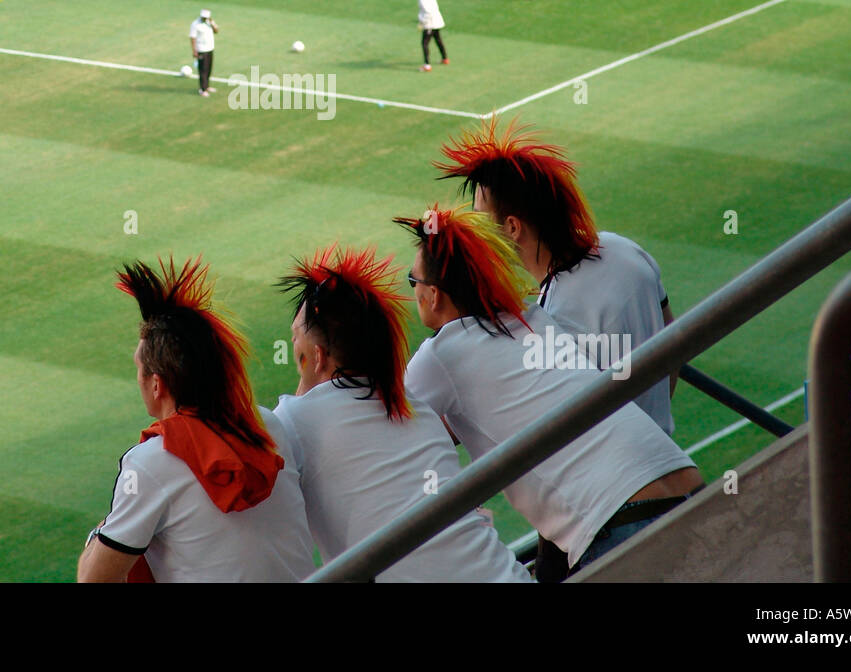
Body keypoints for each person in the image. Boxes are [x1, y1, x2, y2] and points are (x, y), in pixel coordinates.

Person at [398, 205, 702, 582]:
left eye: (413, 281)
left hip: (619, 520)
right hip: (687, 483)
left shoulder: (439, 356)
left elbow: (391, 443)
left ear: (434, 295)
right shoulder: (533, 317)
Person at [273, 244, 531, 583]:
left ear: (318, 357)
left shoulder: (292, 422)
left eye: (296, 342)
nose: (293, 351)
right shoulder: (418, 410)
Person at [435, 117, 677, 434]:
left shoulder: (554, 316)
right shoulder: (625, 249)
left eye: (480, 216)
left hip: (610, 479)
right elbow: (674, 345)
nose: (475, 230)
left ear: (512, 227)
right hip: (665, 455)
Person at [76, 258, 313, 583]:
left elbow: (94, 579)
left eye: (138, 367)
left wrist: (100, 533)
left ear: (157, 384)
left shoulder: (150, 463)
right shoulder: (268, 426)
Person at [413, 0, 448, 72]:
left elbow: (428, 12)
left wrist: (422, 22)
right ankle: (445, 58)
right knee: (438, 40)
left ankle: (427, 65)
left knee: (424, 43)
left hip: (430, 24)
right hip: (436, 21)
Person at [189, 8, 218, 97]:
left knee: (209, 68)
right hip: (201, 49)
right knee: (203, 70)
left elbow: (216, 31)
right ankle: (202, 89)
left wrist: (212, 24)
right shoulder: (195, 24)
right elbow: (192, 38)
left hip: (210, 48)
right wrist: (194, 50)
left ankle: (207, 86)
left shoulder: (210, 22)